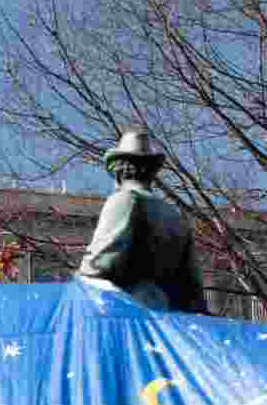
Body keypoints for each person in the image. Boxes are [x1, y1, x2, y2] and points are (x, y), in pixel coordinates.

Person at [78, 130, 208, 314]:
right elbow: (193, 291)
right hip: (167, 322)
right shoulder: (176, 216)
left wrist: (75, 291)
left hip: (128, 315)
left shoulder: (124, 200)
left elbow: (99, 263)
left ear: (118, 172)